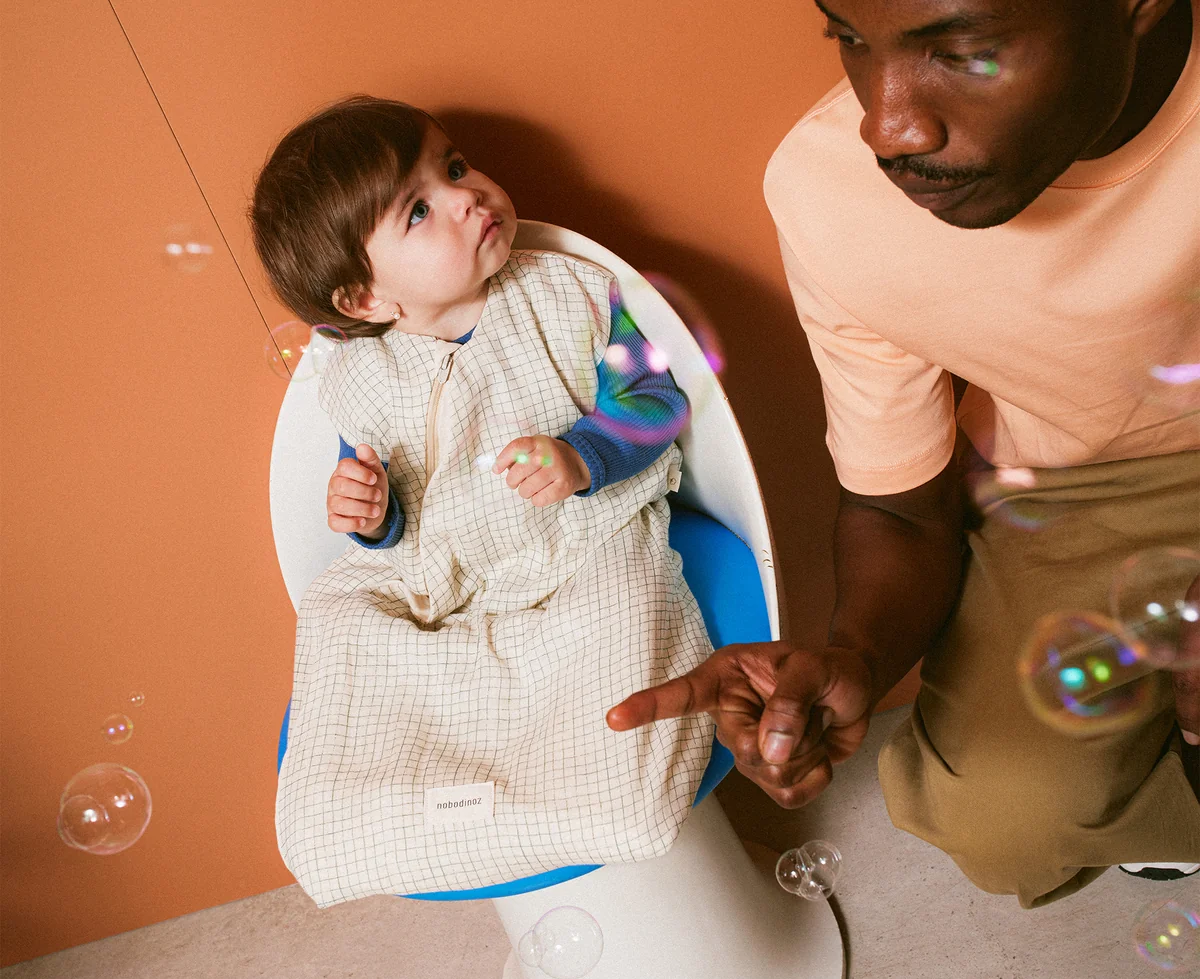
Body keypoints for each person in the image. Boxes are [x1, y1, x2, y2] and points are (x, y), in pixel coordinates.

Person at [608, 0, 1200, 907]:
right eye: (848, 36)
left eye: (964, 50)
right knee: (997, 822)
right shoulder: (832, 192)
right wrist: (857, 654)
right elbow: (898, 506)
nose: (887, 129)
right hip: (1074, 493)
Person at [251, 96, 714, 906]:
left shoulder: (571, 295)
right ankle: (408, 810)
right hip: (444, 574)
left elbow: (655, 400)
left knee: (628, 599)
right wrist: (368, 515)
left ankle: (600, 797)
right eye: (419, 209)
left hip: (580, 544)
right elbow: (382, 496)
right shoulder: (360, 373)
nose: (466, 196)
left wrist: (584, 455)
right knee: (336, 613)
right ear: (364, 299)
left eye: (455, 166)